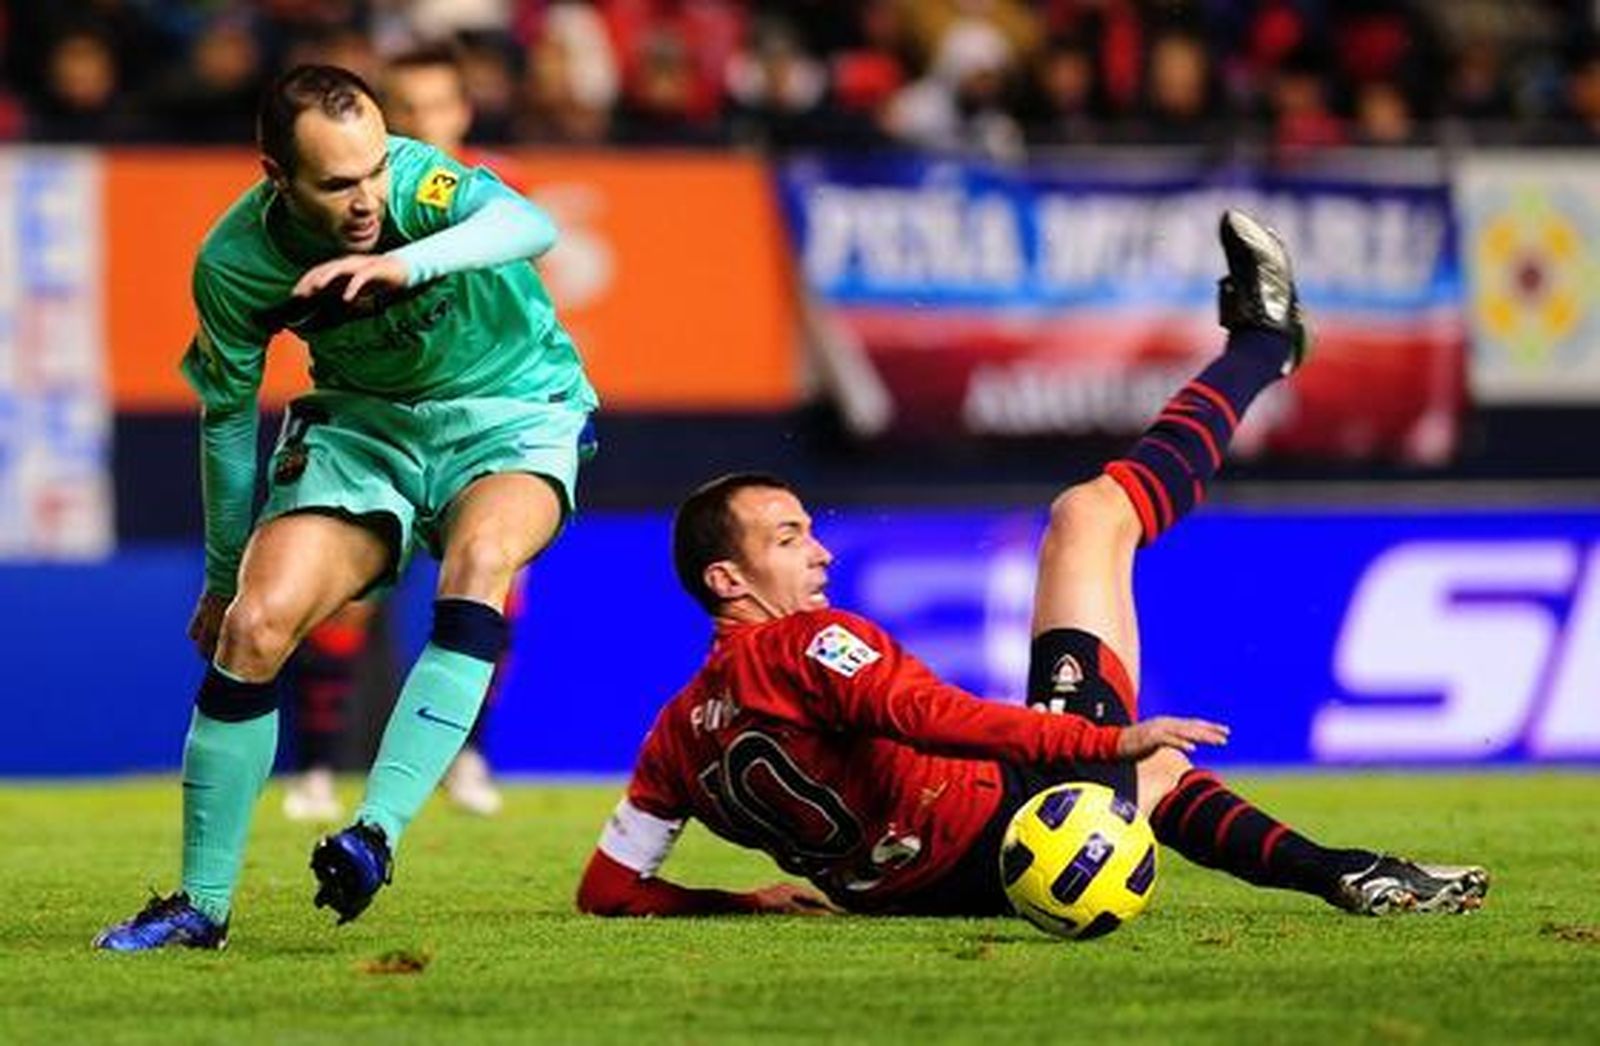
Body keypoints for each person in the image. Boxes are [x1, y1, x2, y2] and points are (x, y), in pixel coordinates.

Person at [576, 212, 1488, 920]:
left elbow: (609, 889)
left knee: (1131, 740)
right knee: (1092, 523)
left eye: (809, 528)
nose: (818, 550)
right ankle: (1261, 343)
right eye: (785, 539)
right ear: (726, 581)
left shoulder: (673, 738)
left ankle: (1353, 872)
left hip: (905, 891)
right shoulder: (809, 647)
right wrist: (1108, 742)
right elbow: (944, 721)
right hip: (1002, 835)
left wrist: (745, 902)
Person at [94, 63, 597, 951]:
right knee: (253, 629)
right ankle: (199, 907)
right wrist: (220, 579)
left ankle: (375, 834)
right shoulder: (234, 265)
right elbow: (224, 425)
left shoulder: (417, 181)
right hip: (364, 432)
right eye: (336, 183)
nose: (367, 196)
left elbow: (531, 222)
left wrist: (404, 261)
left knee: (479, 566)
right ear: (274, 177)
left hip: (515, 412)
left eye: (372, 169)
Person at [278, 44, 523, 826]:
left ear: (463, 112)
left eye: (437, 106)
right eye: (407, 109)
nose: (424, 122)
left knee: (493, 577)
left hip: (477, 428)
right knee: (340, 603)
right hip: (378, 427)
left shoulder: (490, 203)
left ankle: (468, 756)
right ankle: (315, 771)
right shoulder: (351, 207)